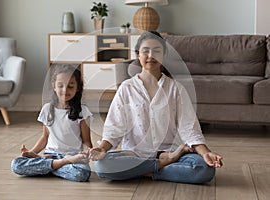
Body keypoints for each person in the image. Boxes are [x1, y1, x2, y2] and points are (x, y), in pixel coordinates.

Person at [89, 31, 223, 184]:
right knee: (102, 166)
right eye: (146, 51)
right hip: (135, 154)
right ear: (138, 55)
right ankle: (159, 167)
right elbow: (114, 129)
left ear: (164, 55)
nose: (151, 55)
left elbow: (189, 129)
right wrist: (103, 149)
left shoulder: (176, 89)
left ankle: (142, 171)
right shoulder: (126, 88)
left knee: (204, 169)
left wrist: (206, 153)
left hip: (172, 152)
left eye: (157, 51)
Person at [11, 64, 93, 182]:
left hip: (73, 157)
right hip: (51, 155)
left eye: (70, 86)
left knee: (82, 173)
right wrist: (32, 153)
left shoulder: (83, 112)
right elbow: (45, 136)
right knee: (16, 164)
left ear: (78, 87)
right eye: (60, 86)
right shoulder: (47, 109)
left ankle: (48, 167)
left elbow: (86, 141)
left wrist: (86, 153)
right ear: (53, 86)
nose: (65, 90)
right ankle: (59, 165)